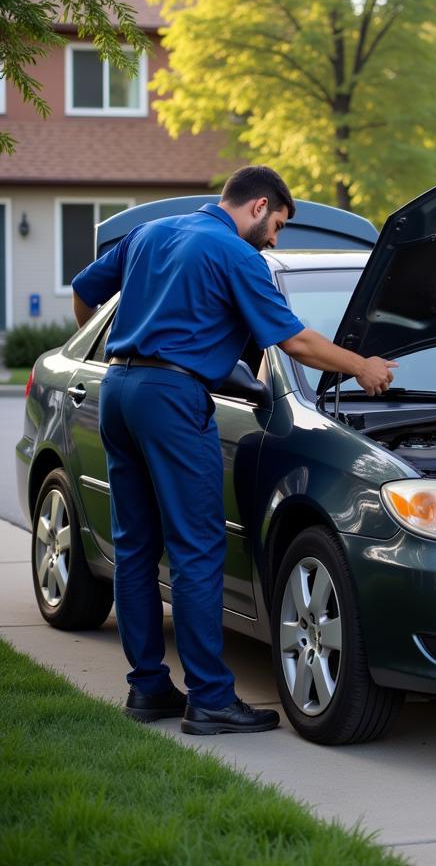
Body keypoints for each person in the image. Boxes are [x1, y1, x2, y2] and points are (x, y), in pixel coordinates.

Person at [71, 166, 396, 735]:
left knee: (135, 545)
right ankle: (212, 699)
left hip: (117, 389)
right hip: (172, 396)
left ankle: (148, 690)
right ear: (259, 205)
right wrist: (362, 366)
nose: (275, 239)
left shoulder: (151, 232)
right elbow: (294, 341)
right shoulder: (234, 254)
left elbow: (84, 293)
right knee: (197, 547)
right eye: (277, 226)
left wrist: (127, 353)